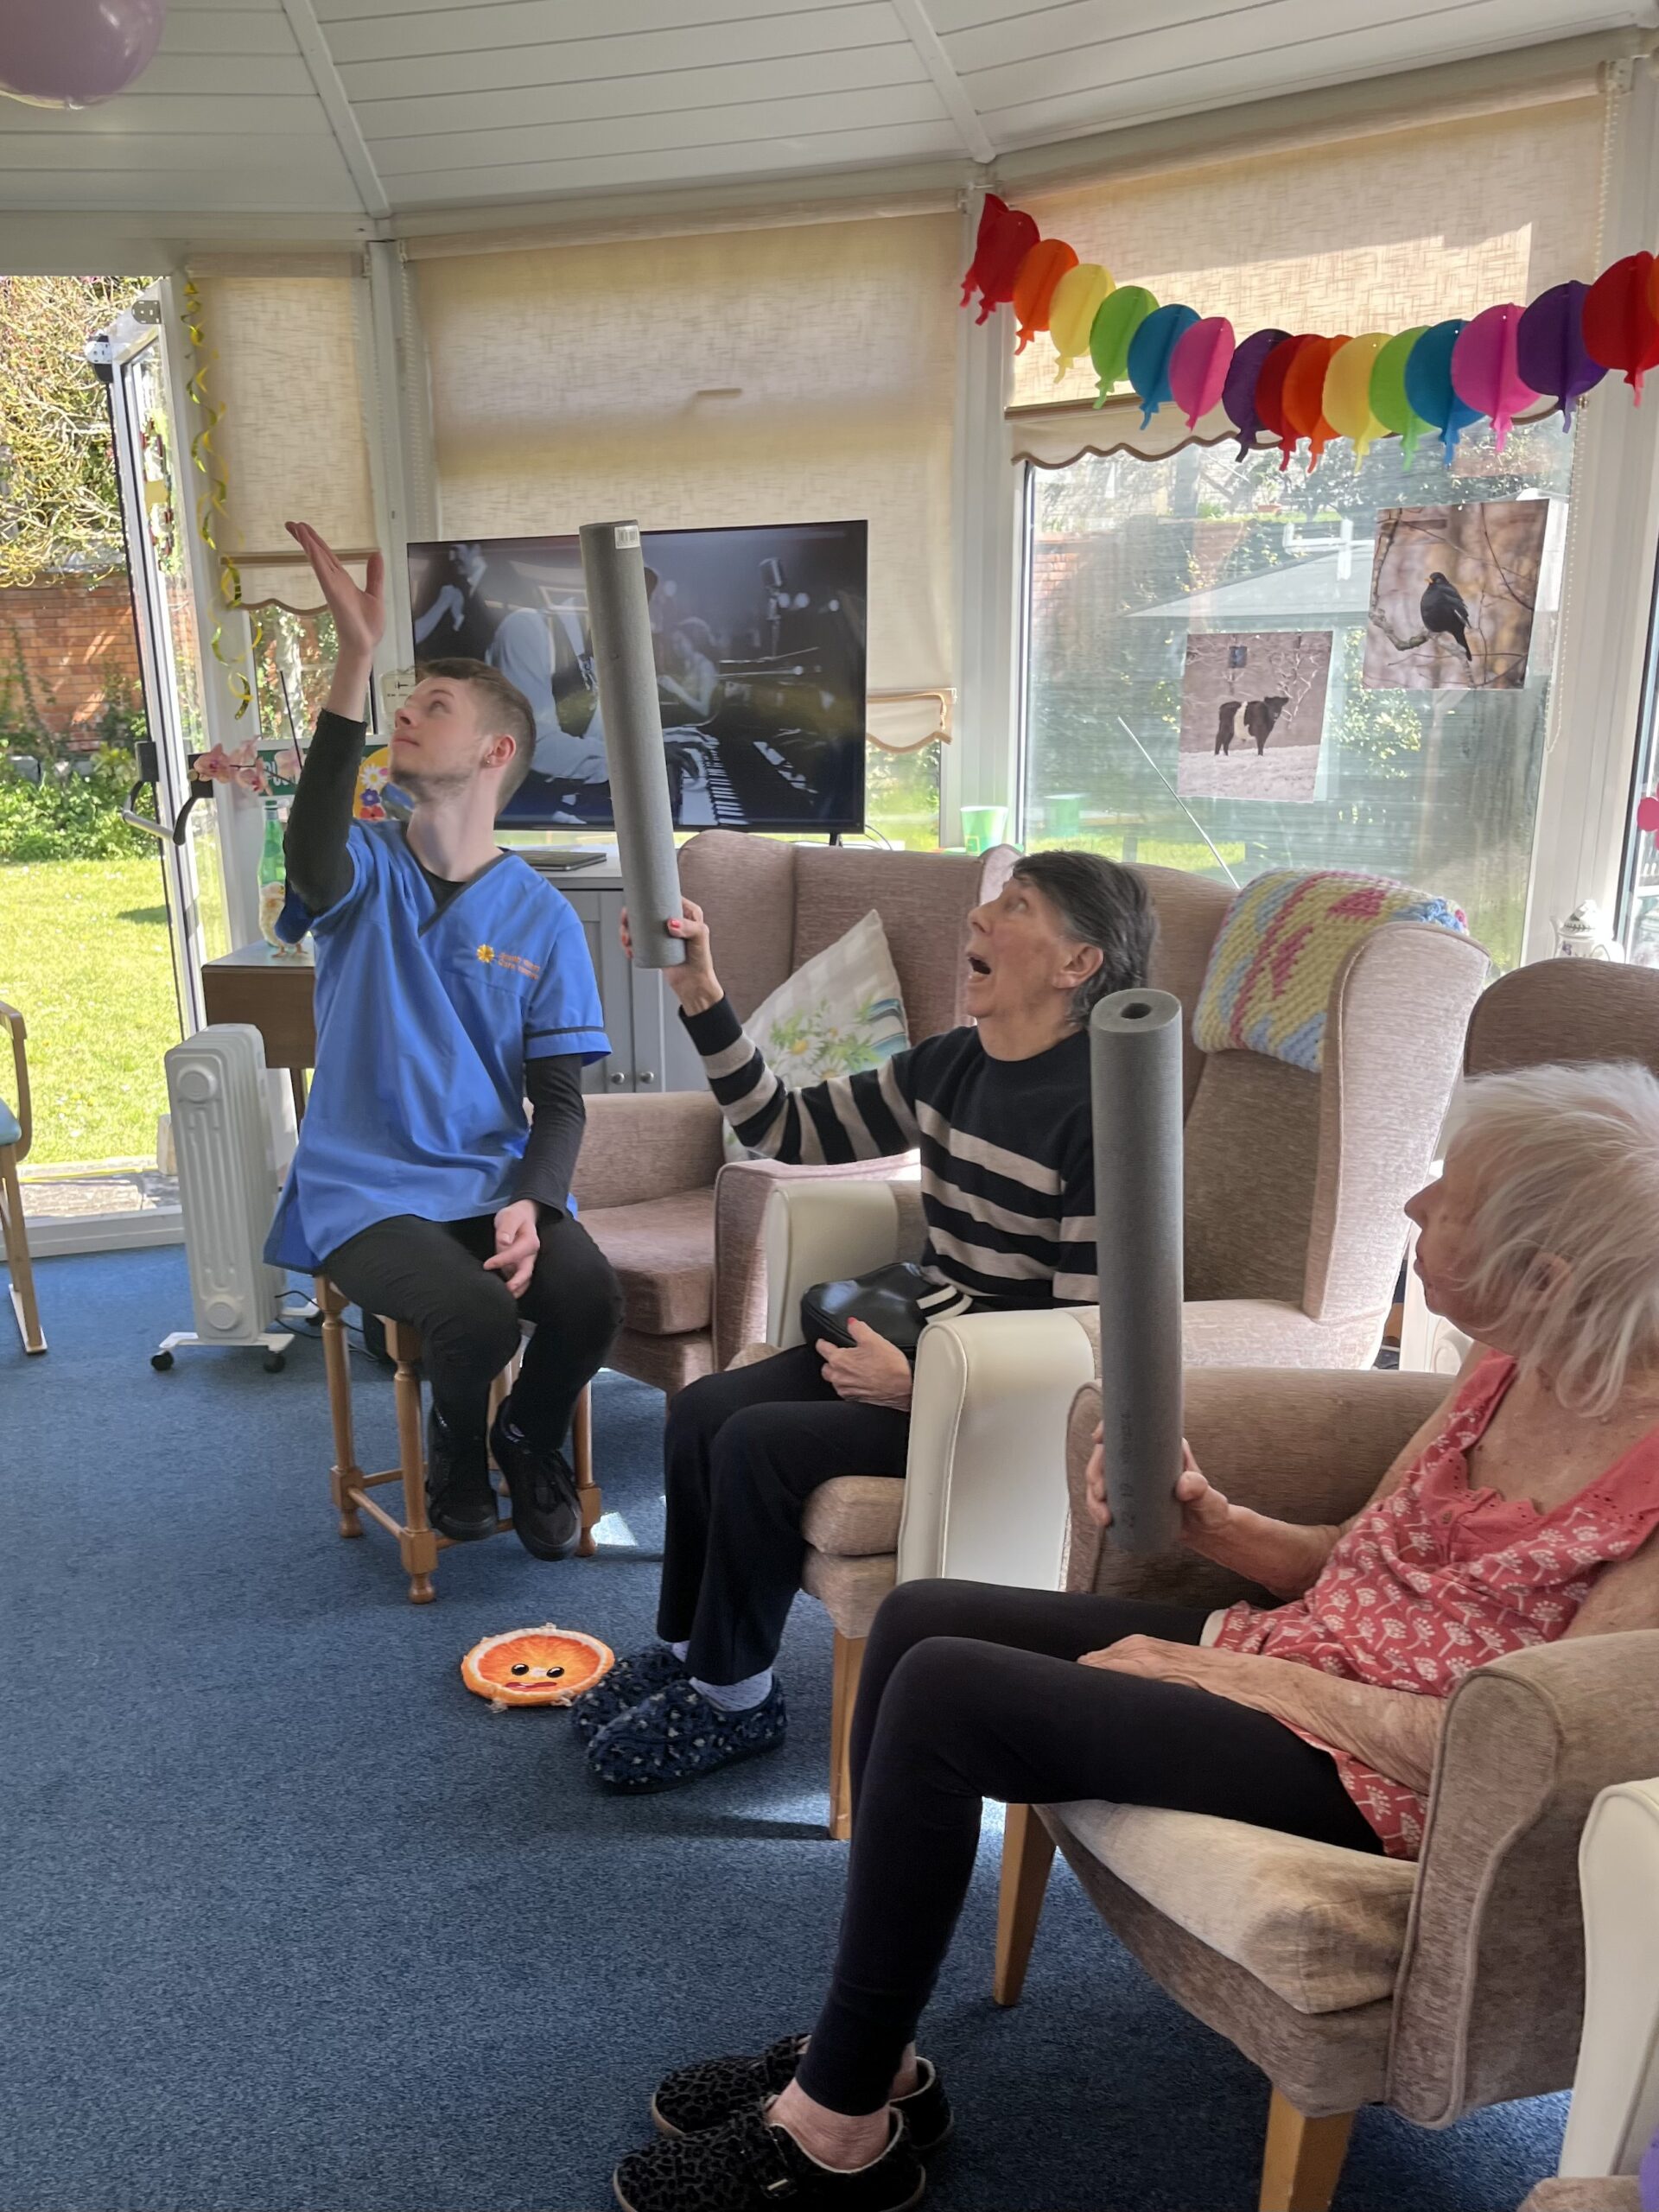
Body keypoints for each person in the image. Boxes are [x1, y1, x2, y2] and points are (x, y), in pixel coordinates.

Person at [607, 1059, 1659, 2212]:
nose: (1412, 1205)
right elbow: (1360, 1559)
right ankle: (873, 2054)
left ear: (1545, 1275)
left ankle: (836, 2126)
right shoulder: (1506, 1370)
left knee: (950, 1695)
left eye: (1446, 1195)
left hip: (1391, 1779)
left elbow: (1525, 1749)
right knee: (919, 1617)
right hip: (1297, 1662)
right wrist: (1219, 1521)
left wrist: (1215, 1674)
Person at [573, 852, 1155, 1789]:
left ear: (1077, 964)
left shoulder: (1103, 1115)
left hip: (1002, 1394)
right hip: (926, 1336)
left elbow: (1088, 1328)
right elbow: (784, 1130)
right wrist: (701, 991)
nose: (980, 915)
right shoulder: (948, 1065)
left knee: (758, 1444)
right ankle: (691, 1653)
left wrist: (924, 1387)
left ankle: (736, 1701)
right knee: (703, 1410)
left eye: (1016, 907)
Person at [264, 522, 623, 1558]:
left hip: (488, 1179)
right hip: (364, 1190)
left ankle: (526, 1434)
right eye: (402, 704)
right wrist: (353, 660)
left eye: (434, 707)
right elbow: (310, 846)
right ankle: (459, 1446)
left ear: (497, 751)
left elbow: (558, 1102)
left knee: (590, 1294)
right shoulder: (361, 872)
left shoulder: (544, 915)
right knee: (469, 1318)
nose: (406, 719)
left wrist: (535, 1198)